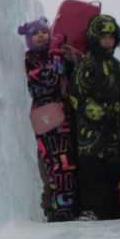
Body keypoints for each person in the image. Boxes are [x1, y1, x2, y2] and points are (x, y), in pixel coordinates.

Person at [69, 14, 120, 221]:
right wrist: (94, 112)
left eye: (111, 36)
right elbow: (77, 94)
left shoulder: (117, 66)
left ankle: (111, 209)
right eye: (103, 36)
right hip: (90, 133)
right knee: (92, 171)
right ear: (94, 37)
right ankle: (91, 209)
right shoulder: (86, 64)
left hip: (113, 132)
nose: (108, 40)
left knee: (113, 168)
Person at [18, 17, 80, 222]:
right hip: (47, 121)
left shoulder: (60, 54)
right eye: (35, 33)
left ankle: (71, 205)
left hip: (64, 118)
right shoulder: (31, 59)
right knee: (53, 164)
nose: (41, 36)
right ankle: (57, 207)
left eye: (44, 31)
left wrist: (64, 54)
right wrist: (55, 54)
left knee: (68, 161)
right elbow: (50, 79)